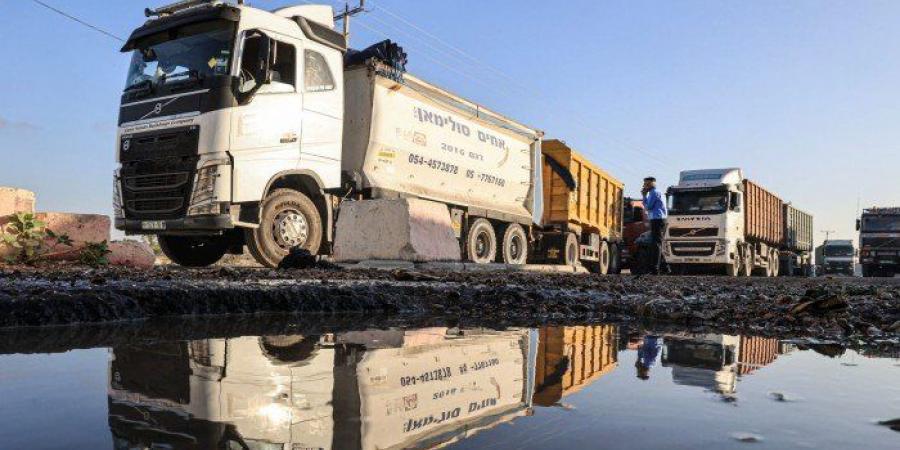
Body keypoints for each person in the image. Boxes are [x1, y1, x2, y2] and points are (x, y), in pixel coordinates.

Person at [641, 176, 668, 274]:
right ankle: (665, 267)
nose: (645, 186)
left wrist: (644, 196)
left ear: (653, 184)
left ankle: (655, 269)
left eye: (647, 184)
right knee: (657, 244)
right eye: (645, 184)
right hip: (659, 220)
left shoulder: (653, 193)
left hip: (657, 220)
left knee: (656, 244)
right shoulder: (658, 192)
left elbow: (648, 207)